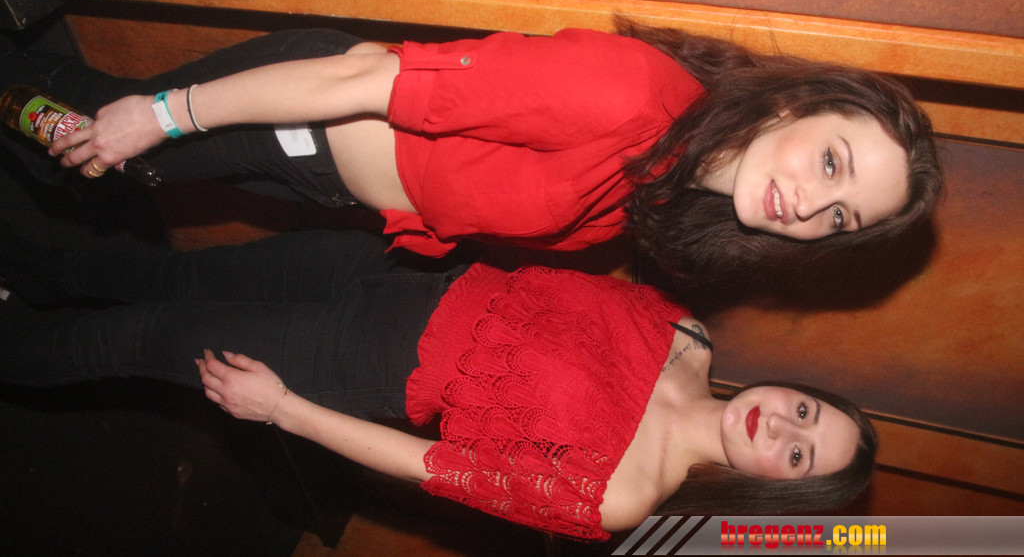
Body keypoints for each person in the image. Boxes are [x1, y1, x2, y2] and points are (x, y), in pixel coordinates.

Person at [0, 226, 877, 540]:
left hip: (355, 363)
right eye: (806, 409)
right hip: (395, 269)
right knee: (179, 271)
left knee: (134, 337)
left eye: (800, 454)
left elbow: (433, 467)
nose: (782, 426)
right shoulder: (686, 332)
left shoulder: (623, 495)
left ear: (776, 491)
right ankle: (27, 261)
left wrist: (286, 409)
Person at [8, 19, 941, 282]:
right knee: (89, 130)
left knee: (95, 156)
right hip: (303, 115)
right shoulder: (627, 95)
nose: (810, 205)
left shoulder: (670, 188)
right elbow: (357, 83)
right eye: (832, 164)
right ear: (797, 105)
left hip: (322, 177)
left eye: (840, 218)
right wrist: (168, 111)